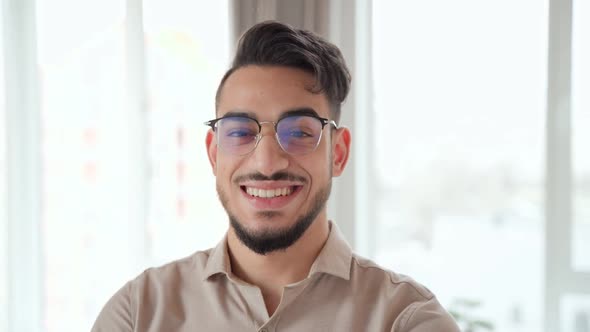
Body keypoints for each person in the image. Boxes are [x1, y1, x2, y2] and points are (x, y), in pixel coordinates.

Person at [92, 21, 460, 332]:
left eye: (299, 132)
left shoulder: (406, 319)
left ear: (339, 152)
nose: (267, 163)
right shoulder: (137, 314)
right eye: (239, 132)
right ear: (213, 152)